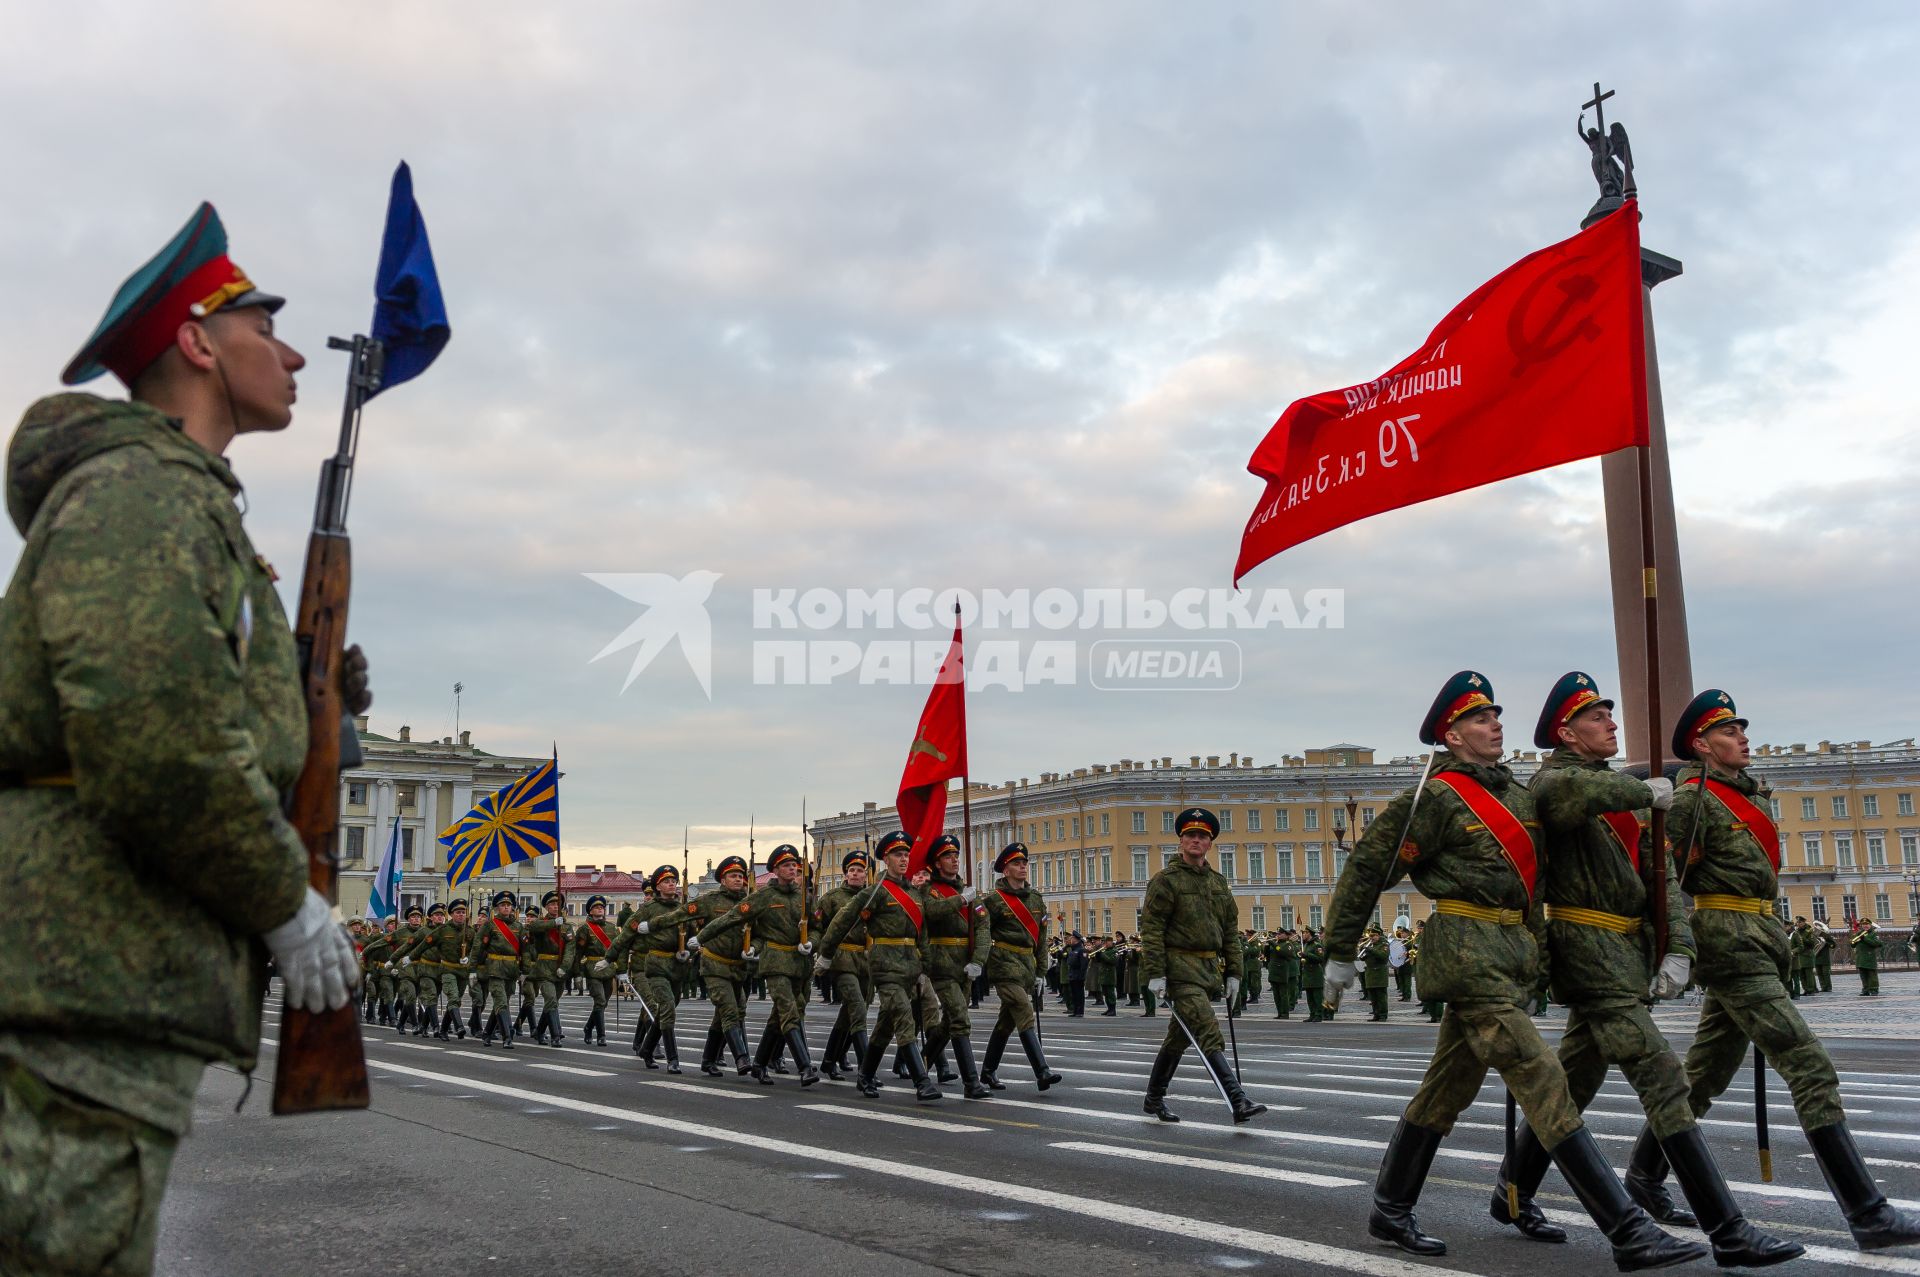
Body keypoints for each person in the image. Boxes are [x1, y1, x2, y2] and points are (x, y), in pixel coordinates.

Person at [0, 200, 371, 1277]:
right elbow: (155, 741)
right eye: (265, 326)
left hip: (103, 983)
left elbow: (219, 725)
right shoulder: (141, 494)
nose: (296, 352)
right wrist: (279, 899)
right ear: (198, 343)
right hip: (80, 984)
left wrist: (320, 709)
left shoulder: (189, 508)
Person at [1324, 671, 1701, 1267]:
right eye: (1480, 719)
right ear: (1451, 735)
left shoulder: (1518, 797)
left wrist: (1537, 967)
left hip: (1509, 956)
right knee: (1544, 1077)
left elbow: (1538, 886)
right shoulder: (1435, 798)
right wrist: (1340, 951)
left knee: (1446, 1089)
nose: (1495, 725)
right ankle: (1629, 1230)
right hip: (1465, 955)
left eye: (1496, 716)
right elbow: (1369, 870)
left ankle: (1390, 1208)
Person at [1489, 672, 1798, 1267]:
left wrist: (1676, 947)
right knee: (1664, 1079)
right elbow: (1572, 797)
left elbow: (1660, 882)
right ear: (1566, 732)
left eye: (1610, 713)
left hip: (1625, 954)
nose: (1612, 723)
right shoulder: (1553, 783)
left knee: (1573, 1082)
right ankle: (1727, 1229)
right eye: (1598, 717)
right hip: (1587, 952)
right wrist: (1649, 789)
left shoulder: (1624, 793)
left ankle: (1514, 1192)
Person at [1630, 690, 1920, 1252]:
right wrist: (1675, 947)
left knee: (1705, 1076)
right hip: (1730, 946)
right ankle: (1867, 1211)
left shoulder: (1748, 798)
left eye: (1742, 728)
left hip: (1758, 940)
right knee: (1810, 1067)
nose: (1743, 737)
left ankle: (1643, 1179)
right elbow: (1666, 880)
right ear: (1701, 745)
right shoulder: (1694, 800)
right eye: (1729, 731)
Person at [818, 831, 970, 1101]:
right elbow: (843, 920)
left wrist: (926, 968)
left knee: (885, 1026)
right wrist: (826, 954)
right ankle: (922, 1082)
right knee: (903, 1017)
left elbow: (921, 933)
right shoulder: (875, 891)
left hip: (910, 967)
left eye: (906, 854)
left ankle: (865, 1076)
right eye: (898, 854)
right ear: (886, 858)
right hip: (884, 966)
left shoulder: (915, 893)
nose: (903, 859)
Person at [1139, 808, 1266, 1125]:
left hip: (1209, 970)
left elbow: (1229, 932)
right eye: (1191, 835)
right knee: (1207, 1029)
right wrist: (1155, 972)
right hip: (1179, 969)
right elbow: (1152, 929)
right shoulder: (1165, 881)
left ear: (1210, 843)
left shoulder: (1218, 883)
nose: (1196, 840)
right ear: (1181, 840)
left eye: (1203, 836)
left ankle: (1153, 1098)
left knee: (1179, 1038)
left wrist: (1235, 972)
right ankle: (1238, 1099)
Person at [693, 844, 820, 1085]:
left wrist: (812, 942)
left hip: (799, 964)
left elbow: (817, 928)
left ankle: (760, 1064)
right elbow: (730, 918)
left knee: (779, 1016)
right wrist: (700, 938)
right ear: (775, 869)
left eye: (794, 864)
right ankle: (805, 1067)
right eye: (786, 865)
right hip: (774, 962)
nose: (792, 868)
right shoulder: (762, 897)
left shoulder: (805, 897)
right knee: (788, 1009)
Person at [978, 843, 1061, 1090]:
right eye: (1016, 863)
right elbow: (981, 932)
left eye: (1024, 863)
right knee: (1023, 1010)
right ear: (1005, 870)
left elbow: (1042, 938)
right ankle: (1042, 1071)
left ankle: (988, 1071)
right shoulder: (993, 901)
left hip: (1026, 965)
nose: (1023, 866)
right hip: (1003, 964)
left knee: (1007, 1021)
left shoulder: (1036, 898)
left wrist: (1041, 972)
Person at [921, 836, 993, 1099]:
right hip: (942, 963)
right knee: (961, 1018)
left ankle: (922, 1062)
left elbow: (984, 929)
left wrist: (978, 961)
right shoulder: (930, 890)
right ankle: (971, 1084)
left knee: (949, 1021)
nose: (954, 860)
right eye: (948, 857)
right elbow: (931, 911)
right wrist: (961, 901)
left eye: (956, 856)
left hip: (966, 964)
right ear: (937, 863)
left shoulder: (969, 892)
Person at [604, 866, 689, 1072]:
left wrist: (688, 951)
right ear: (657, 886)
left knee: (665, 1008)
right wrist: (611, 959)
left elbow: (692, 935)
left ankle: (646, 1048)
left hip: (677, 966)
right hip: (654, 964)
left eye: (674, 880)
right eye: (667, 880)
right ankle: (673, 1059)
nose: (672, 883)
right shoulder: (647, 910)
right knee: (665, 1006)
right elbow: (625, 937)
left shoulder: (683, 908)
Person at [683, 855, 756, 1076]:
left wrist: (755, 947)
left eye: (741, 876)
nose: (738, 879)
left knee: (734, 1011)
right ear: (722, 879)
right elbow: (681, 914)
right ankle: (742, 1058)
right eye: (733, 876)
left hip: (737, 967)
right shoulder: (710, 900)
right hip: (714, 964)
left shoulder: (750, 901)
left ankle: (708, 1059)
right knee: (729, 1010)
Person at [812, 850, 874, 1082]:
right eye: (852, 870)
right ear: (845, 874)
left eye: (860, 870)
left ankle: (829, 1061)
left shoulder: (873, 896)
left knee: (850, 1013)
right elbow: (819, 927)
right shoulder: (832, 898)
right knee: (857, 1008)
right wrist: (821, 952)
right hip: (842, 957)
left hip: (866, 960)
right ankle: (866, 1070)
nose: (856, 874)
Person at [466, 892, 525, 1048]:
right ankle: (507, 1037)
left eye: (508, 905)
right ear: (497, 908)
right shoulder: (490, 925)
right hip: (494, 969)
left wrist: (524, 971)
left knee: (502, 1002)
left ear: (512, 908)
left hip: (512, 970)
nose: (506, 908)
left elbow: (525, 950)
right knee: (501, 1001)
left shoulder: (519, 927)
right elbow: (477, 947)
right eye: (502, 905)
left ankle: (487, 1032)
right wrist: (472, 969)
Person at [570, 895, 617, 1046]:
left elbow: (617, 949)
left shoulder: (611, 928)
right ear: (590, 911)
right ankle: (601, 1035)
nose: (600, 909)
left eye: (602, 907)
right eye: (597, 907)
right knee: (600, 1000)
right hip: (593, 969)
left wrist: (621, 969)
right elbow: (578, 953)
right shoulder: (585, 929)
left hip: (608, 968)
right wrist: (577, 974)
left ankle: (589, 1027)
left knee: (603, 1003)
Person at [1360, 926, 1392, 1021]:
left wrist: (1371, 950)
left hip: (1379, 973)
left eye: (1374, 935)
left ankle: (1383, 1015)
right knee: (1373, 997)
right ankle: (1376, 1014)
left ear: (1378, 935)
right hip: (1370, 973)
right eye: (1370, 935)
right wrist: (1363, 951)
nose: (1371, 938)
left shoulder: (1384, 944)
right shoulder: (1371, 945)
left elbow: (1383, 956)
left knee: (1381, 996)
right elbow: (1363, 958)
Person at [1299, 928, 1326, 1022]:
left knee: (1317, 997)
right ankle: (1312, 1014)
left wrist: (1306, 955)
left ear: (1309, 934)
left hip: (1315, 973)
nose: (1303, 935)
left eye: (1305, 933)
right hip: (1307, 973)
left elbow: (1320, 958)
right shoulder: (1306, 944)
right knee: (1310, 997)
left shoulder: (1317, 945)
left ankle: (1319, 1015)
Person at [1092, 934, 1119, 1016]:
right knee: (1106, 993)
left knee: (1110, 993)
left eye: (1106, 942)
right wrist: (1098, 953)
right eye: (1104, 942)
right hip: (1103, 975)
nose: (1105, 944)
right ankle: (1109, 1008)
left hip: (1110, 975)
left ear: (1111, 942)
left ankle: (1113, 1009)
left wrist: (1102, 954)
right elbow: (1098, 960)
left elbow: (1112, 961)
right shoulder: (1105, 950)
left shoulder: (1114, 951)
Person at [1854, 919, 1882, 995]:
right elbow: (1853, 944)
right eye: (1863, 924)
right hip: (1860, 957)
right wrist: (1854, 941)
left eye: (1867, 924)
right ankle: (1865, 989)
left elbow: (1876, 943)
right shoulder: (1859, 933)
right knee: (1863, 975)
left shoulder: (1873, 934)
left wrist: (1865, 938)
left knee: (1872, 975)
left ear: (1870, 925)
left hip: (1870, 957)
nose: (1865, 926)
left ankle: (1874, 989)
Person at [1064, 933, 1088, 1016]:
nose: (1071, 939)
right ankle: (1075, 1010)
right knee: (1073, 994)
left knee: (1079, 994)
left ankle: (1080, 1011)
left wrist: (1082, 976)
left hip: (1078, 975)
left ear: (1076, 939)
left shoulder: (1081, 949)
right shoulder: (1073, 949)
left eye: (1072, 938)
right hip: (1072, 975)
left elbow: (1084, 964)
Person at [1815, 921, 1836, 993]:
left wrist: (1825, 943)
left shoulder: (1826, 936)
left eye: (1819, 929)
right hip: (1816, 957)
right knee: (1819, 973)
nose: (1817, 930)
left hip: (1824, 957)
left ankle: (1828, 987)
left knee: (1826, 973)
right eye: (1816, 929)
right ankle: (1823, 987)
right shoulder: (1814, 936)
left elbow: (1833, 944)